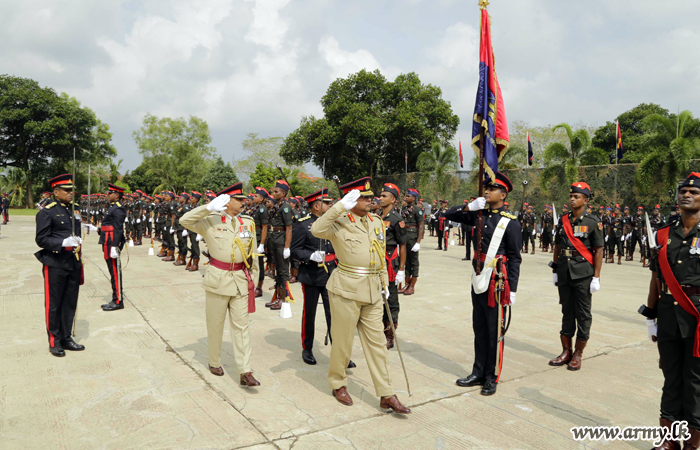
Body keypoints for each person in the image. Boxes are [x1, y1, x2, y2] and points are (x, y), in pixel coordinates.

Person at [310, 177, 410, 413]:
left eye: (369, 196)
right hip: (347, 288)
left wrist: (385, 281)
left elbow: (380, 253)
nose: (370, 200)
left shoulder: (376, 221)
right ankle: (338, 383)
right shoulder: (338, 221)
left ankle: (386, 393)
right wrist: (339, 206)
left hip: (373, 289)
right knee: (343, 342)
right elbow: (316, 229)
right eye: (363, 197)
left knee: (377, 343)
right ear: (352, 199)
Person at [445, 172, 521, 396]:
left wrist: (513, 288)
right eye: (486, 188)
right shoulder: (477, 214)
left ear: (503, 194)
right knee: (478, 326)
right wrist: (469, 207)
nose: (486, 192)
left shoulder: (509, 222)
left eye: (492, 189)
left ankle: (491, 376)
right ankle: (478, 372)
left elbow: (515, 257)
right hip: (478, 278)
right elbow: (448, 214)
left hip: (497, 281)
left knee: (493, 329)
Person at [179, 183, 260, 386]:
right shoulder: (210, 221)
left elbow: (254, 255)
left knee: (242, 327)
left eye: (244, 199)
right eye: (239, 199)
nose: (244, 202)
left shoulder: (248, 222)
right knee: (215, 325)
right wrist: (208, 207)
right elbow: (184, 220)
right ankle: (214, 361)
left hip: (241, 280)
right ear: (226, 200)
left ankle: (245, 371)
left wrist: (254, 282)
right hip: (218, 279)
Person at [643, 172, 700, 449]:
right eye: (683, 191)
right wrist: (651, 315)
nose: (686, 195)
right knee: (670, 375)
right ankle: (669, 439)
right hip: (667, 314)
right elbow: (656, 278)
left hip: (697, 317)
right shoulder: (664, 233)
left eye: (694, 192)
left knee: (695, 380)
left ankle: (691, 442)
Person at [548, 182, 603, 371]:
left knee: (583, 314)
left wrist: (596, 277)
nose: (572, 199)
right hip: (564, 272)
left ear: (585, 200)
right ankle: (566, 351)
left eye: (576, 196)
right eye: (571, 196)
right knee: (567, 311)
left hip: (583, 274)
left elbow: (598, 251)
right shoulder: (563, 220)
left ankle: (578, 353)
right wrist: (555, 269)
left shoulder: (592, 222)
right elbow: (557, 247)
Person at [35, 174, 84, 357]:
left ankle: (66, 337)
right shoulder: (47, 212)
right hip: (55, 263)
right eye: (66, 190)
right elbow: (41, 239)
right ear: (56, 192)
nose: (71, 193)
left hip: (73, 261)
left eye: (72, 190)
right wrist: (62, 243)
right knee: (54, 304)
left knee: (70, 302)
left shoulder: (75, 210)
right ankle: (54, 341)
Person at [379, 183, 407, 349]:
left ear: (393, 199)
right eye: (381, 195)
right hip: (377, 259)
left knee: (391, 299)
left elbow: (402, 245)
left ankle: (389, 334)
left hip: (390, 261)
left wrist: (401, 269)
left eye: (384, 196)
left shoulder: (397, 219)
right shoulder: (377, 217)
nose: (380, 198)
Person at [98, 183, 127, 311]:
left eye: (109, 193)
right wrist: (99, 230)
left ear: (116, 195)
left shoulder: (118, 209)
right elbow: (108, 225)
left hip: (111, 242)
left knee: (115, 271)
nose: (107, 195)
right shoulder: (112, 207)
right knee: (112, 270)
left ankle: (118, 300)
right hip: (107, 240)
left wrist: (115, 246)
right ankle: (115, 297)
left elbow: (118, 229)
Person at [265, 181, 294, 310]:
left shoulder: (286, 207)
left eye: (276, 192)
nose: (274, 194)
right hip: (274, 240)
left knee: (283, 271)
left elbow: (289, 228)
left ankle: (283, 298)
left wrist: (287, 247)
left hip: (281, 241)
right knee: (277, 270)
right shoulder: (278, 206)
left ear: (283, 193)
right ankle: (277, 297)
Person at [400, 188, 424, 295]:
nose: (406, 197)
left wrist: (418, 242)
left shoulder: (417, 210)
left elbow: (421, 226)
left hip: (413, 238)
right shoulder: (404, 208)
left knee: (414, 262)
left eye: (409, 196)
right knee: (406, 261)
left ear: (414, 198)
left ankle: (412, 285)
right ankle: (407, 284)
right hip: (405, 237)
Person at [251, 187, 270, 297]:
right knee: (252, 263)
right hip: (253, 238)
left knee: (259, 265)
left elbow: (264, 227)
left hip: (258, 239)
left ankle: (259, 287)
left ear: (262, 198)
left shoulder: (263, 209)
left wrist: (262, 244)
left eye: (256, 196)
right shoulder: (255, 208)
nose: (254, 197)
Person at [186, 192, 202, 271]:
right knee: (192, 246)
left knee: (195, 247)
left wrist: (199, 232)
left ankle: (196, 264)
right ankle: (193, 262)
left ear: (196, 199)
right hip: (191, 229)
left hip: (196, 230)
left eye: (192, 198)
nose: (190, 199)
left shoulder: (198, 208)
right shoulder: (192, 206)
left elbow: (201, 220)